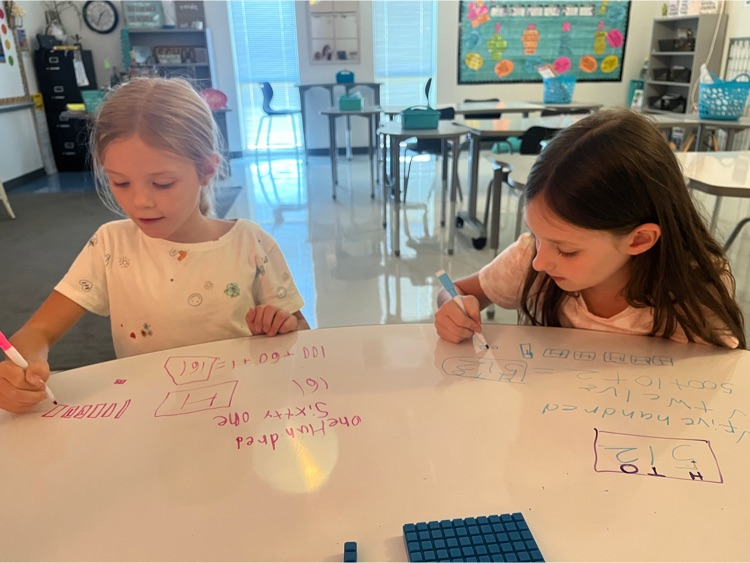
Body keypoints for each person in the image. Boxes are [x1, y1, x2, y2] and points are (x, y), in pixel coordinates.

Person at [0, 77, 309, 413]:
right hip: (149, 415)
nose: (140, 202)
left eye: (162, 183)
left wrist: (281, 326)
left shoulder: (250, 244)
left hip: (240, 414)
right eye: (120, 182)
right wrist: (21, 369)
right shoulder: (110, 245)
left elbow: (302, 335)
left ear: (206, 170)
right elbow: (38, 331)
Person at [435, 107, 746, 350]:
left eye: (567, 250)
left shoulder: (694, 287)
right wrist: (453, 306)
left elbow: (716, 379)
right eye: (536, 235)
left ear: (639, 239)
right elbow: (456, 289)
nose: (540, 262)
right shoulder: (530, 257)